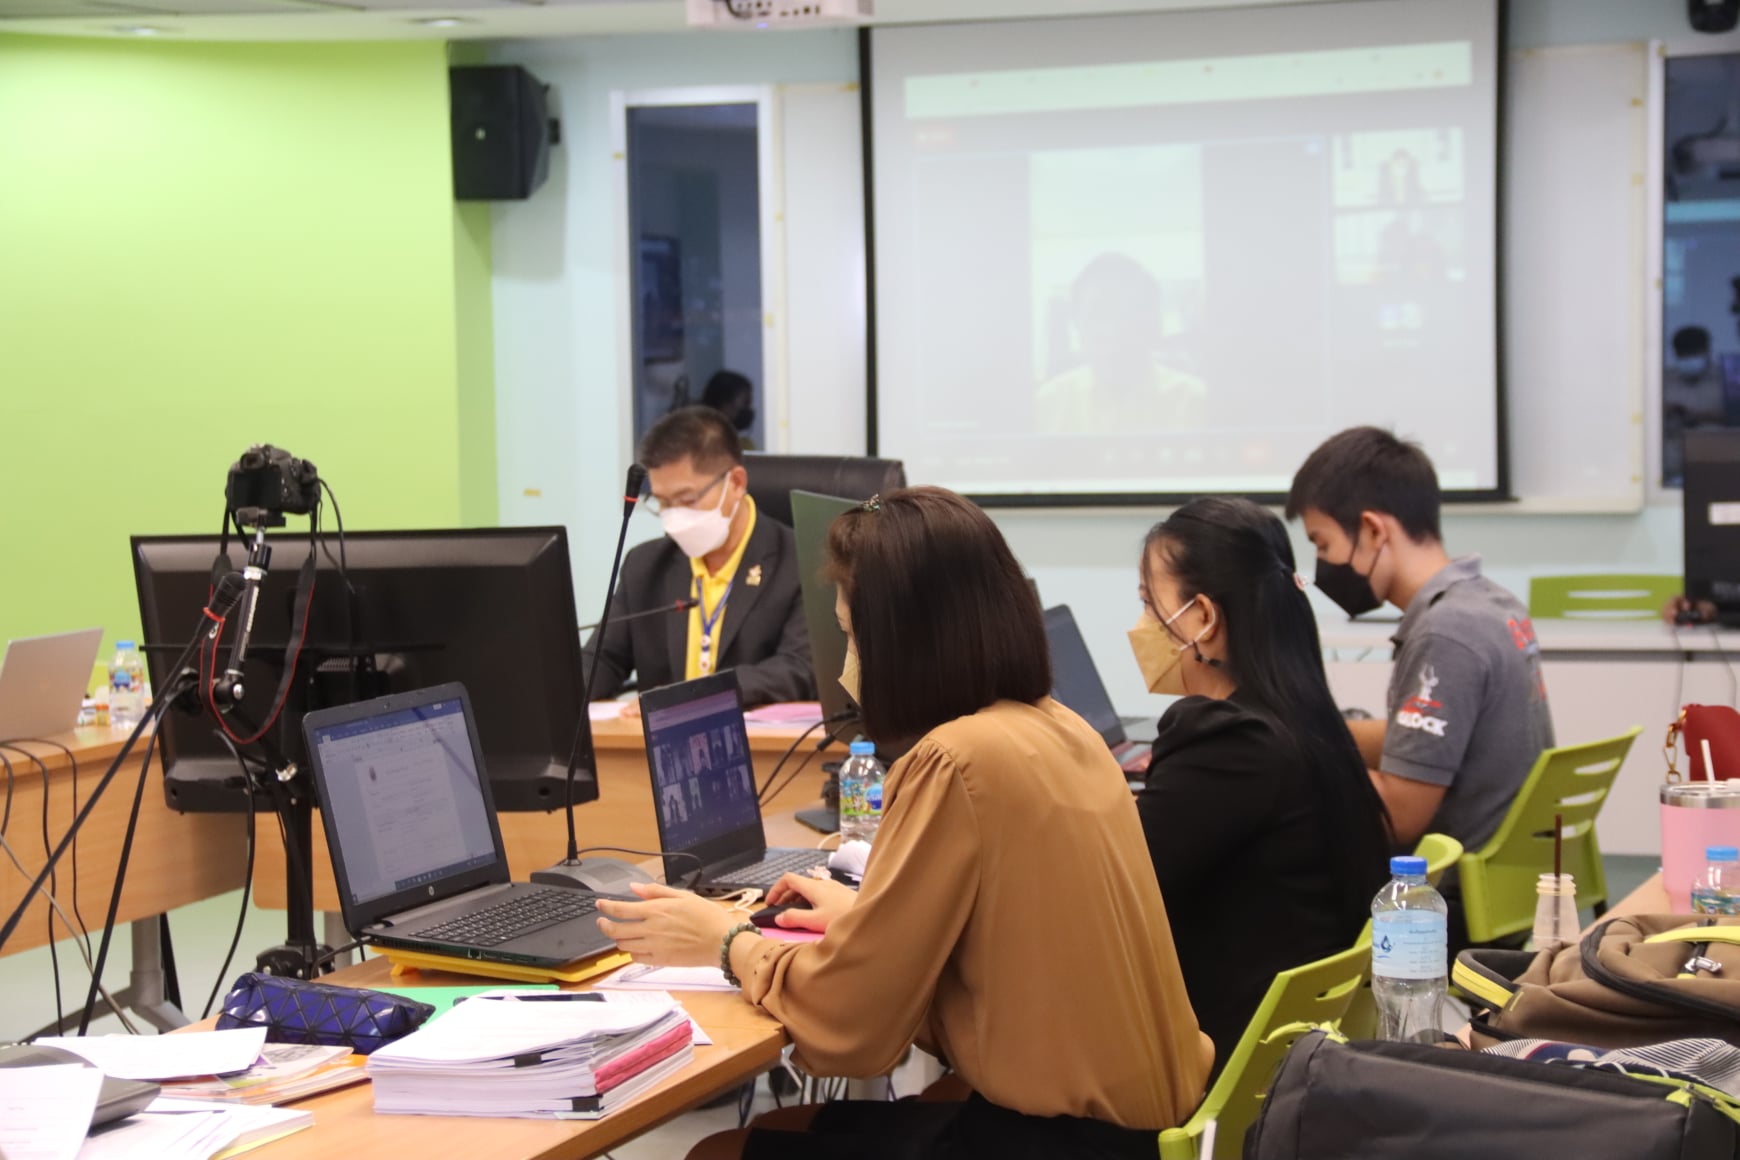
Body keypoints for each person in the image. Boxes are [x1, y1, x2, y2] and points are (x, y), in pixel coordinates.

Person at [596, 487, 1210, 1159]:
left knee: (717, 1152)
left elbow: (852, 1028)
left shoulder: (954, 759)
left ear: (903, 641)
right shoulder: (1059, 727)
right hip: (1142, 1130)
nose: (846, 664)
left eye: (852, 636)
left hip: (1061, 1142)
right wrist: (868, 922)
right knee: (787, 1132)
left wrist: (725, 940)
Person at [1129, 497, 1392, 1076]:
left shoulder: (1226, 739)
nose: (1141, 626)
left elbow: (1117, 888)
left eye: (1149, 604)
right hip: (1295, 1060)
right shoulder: (1303, 718)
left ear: (1203, 618)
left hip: (1217, 1067)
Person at [1286, 428, 1554, 944]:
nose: (1323, 564)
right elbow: (1423, 743)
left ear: (1372, 530)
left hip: (1449, 905)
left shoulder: (1445, 633)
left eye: (1323, 543)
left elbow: (1399, 815)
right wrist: (1308, 734)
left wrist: (1290, 769)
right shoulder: (1490, 603)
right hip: (1508, 887)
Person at [583, 406, 814, 710]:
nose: (673, 518)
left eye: (687, 499)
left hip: (758, 737)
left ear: (736, 483)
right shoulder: (645, 566)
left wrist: (695, 695)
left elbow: (799, 668)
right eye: (663, 502)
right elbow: (603, 659)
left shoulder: (801, 560)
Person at [1035, 252, 1205, 434]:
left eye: (1127, 313)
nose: (1113, 330)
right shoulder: (1047, 405)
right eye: (1098, 313)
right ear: (1076, 322)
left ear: (1153, 324)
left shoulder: (1196, 403)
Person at [702, 369, 758, 449]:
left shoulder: (744, 445)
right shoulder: (697, 442)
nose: (749, 409)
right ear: (723, 403)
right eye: (745, 402)